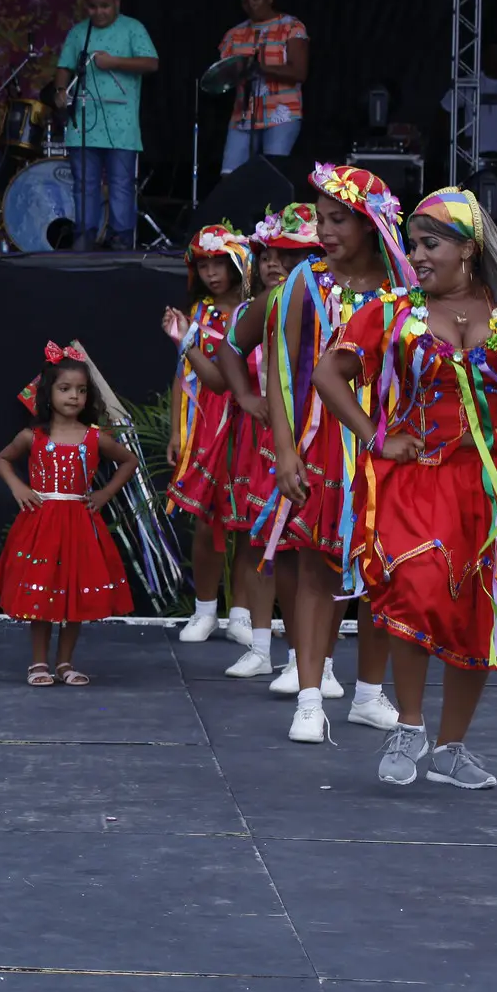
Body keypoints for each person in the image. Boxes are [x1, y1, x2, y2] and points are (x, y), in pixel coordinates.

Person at [313, 188, 497, 788]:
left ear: (469, 250)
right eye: (414, 244)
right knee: (416, 588)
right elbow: (327, 374)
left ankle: (451, 748)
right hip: (419, 477)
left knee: (480, 606)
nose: (416, 256)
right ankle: (410, 725)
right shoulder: (391, 312)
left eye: (430, 244)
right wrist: (375, 437)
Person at [265, 164, 410, 744]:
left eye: (337, 219)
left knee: (385, 572)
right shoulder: (306, 280)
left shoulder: (405, 284)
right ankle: (308, 698)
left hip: (389, 441)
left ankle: (371, 696)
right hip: (321, 441)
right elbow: (278, 368)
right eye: (321, 219)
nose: (325, 231)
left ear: (371, 223)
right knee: (318, 570)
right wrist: (282, 450)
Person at [213, 202, 322, 680]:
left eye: (287, 255)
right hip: (270, 437)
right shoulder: (263, 304)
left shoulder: (340, 297)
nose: (274, 264)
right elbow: (229, 347)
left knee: (314, 548)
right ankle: (260, 644)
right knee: (260, 542)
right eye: (266, 254)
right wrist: (245, 394)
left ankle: (309, 661)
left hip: (328, 438)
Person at [0, 346, 139, 686]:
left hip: (79, 525)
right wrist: (18, 487)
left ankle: (65, 663)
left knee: (76, 592)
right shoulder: (34, 436)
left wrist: (104, 493)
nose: (74, 396)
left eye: (82, 390)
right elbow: (2, 459)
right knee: (41, 593)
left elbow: (129, 461)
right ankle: (39, 663)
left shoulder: (94, 437)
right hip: (41, 524)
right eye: (65, 388)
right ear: (48, 392)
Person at [158, 225, 250, 647]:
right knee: (206, 520)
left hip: (251, 420)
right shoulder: (199, 315)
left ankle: (245, 615)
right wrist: (180, 429)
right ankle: (205, 610)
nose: (212, 273)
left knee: (251, 520)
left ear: (238, 264)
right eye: (205, 265)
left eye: (220, 264)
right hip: (206, 424)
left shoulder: (257, 310)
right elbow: (184, 373)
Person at [53, 0, 159, 251]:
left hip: (121, 124)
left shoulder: (133, 28)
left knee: (120, 184)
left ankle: (120, 239)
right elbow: (64, 66)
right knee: (84, 184)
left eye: (104, 6)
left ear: (116, 3)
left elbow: (151, 63)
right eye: (92, 7)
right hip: (84, 123)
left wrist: (115, 62)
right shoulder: (79, 33)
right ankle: (84, 236)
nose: (98, 12)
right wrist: (61, 90)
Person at [218, 0, 309, 172]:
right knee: (230, 176)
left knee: (272, 175)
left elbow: (300, 72)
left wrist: (260, 67)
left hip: (281, 114)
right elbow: (224, 75)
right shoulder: (234, 34)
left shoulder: (291, 26)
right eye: (245, 1)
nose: (251, 5)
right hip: (243, 115)